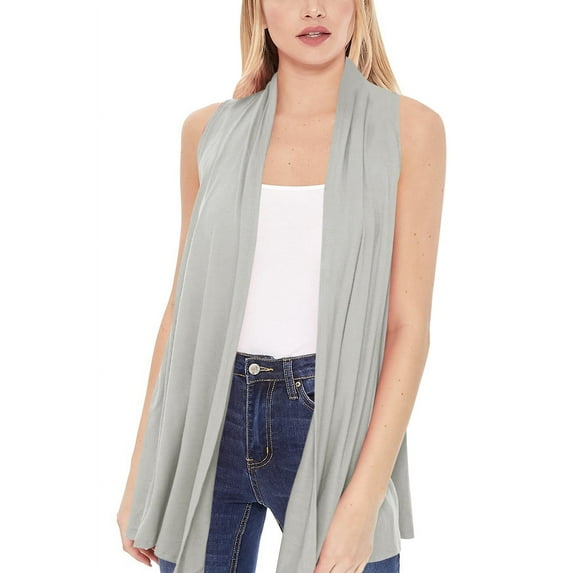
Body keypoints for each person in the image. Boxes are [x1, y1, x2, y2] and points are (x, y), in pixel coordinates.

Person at [117, 0, 446, 572]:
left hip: (331, 419)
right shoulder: (208, 131)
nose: (313, 9)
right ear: (260, 10)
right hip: (208, 419)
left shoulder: (409, 129)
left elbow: (407, 327)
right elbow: (181, 310)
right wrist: (142, 473)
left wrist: (363, 503)